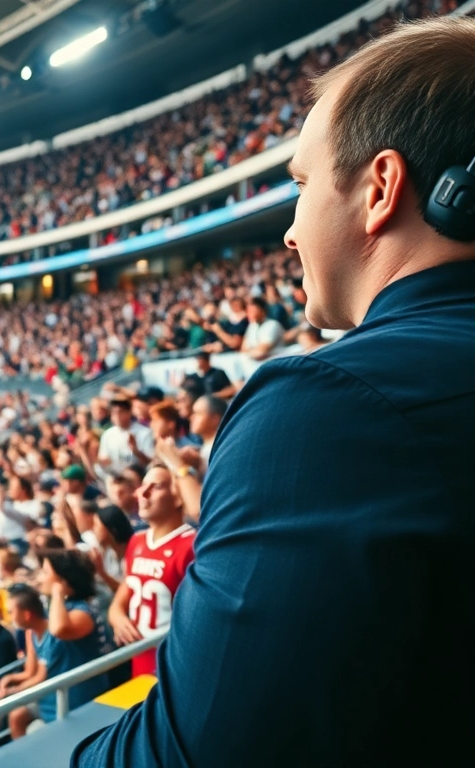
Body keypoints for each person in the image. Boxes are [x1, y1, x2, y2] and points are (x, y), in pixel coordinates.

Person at [77, 22, 475, 765]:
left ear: (381, 189)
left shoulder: (327, 407)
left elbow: (197, 751)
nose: (289, 233)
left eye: (299, 185)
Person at [106, 466, 195, 679]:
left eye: (155, 487)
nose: (142, 493)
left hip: (174, 668)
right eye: (142, 486)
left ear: (178, 498)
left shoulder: (192, 545)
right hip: (138, 661)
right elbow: (123, 595)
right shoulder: (136, 540)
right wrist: (117, 616)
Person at [0, 584, 108, 738]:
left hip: (56, 696)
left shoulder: (52, 637)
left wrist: (11, 692)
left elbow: (40, 677)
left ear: (27, 615)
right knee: (16, 716)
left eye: (11, 612)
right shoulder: (30, 633)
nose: (8, 616)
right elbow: (29, 672)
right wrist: (9, 678)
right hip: (44, 694)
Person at [154, 394, 228, 522]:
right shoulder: (200, 450)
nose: (191, 417)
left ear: (215, 418)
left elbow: (202, 509)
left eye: (198, 413)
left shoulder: (223, 449)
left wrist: (177, 464)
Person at [96, 398, 154, 479]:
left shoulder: (144, 433)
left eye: (121, 412)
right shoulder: (107, 435)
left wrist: (136, 451)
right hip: (120, 478)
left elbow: (151, 462)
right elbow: (103, 459)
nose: (117, 416)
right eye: (114, 413)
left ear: (129, 412)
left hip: (142, 476)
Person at [242, 296, 286, 361]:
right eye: (248, 311)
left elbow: (262, 351)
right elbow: (243, 349)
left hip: (274, 361)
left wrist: (250, 351)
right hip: (255, 361)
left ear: (262, 311)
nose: (249, 314)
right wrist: (251, 352)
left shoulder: (272, 324)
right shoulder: (252, 326)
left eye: (252, 311)